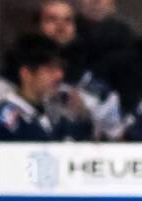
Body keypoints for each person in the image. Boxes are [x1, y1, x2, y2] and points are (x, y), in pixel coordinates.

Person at [36, 0, 124, 141]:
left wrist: (85, 118)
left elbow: (118, 140)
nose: (60, 26)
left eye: (68, 20)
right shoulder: (18, 79)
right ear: (39, 26)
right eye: (52, 19)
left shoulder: (97, 86)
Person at [0, 33, 92, 142]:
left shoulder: (54, 112)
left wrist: (81, 118)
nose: (60, 75)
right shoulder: (7, 120)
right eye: (50, 69)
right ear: (26, 74)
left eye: (60, 68)